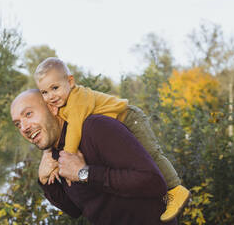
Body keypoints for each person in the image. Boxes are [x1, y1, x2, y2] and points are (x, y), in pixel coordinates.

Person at [33, 57, 190, 222]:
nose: (51, 96)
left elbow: (74, 129)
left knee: (153, 155)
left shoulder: (77, 101)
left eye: (55, 88)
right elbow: (74, 209)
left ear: (70, 82)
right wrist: (49, 161)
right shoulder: (63, 108)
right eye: (44, 92)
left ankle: (175, 188)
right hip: (117, 122)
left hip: (128, 117)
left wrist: (68, 157)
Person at [10, 89, 177, 224]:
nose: (23, 128)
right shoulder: (57, 154)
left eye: (28, 114)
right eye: (18, 124)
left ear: (52, 108)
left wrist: (84, 173)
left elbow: (154, 182)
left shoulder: (96, 128)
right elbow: (77, 210)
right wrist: (46, 182)